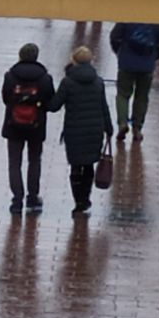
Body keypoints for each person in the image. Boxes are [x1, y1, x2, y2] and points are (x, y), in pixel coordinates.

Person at [47, 46, 113, 216]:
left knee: (76, 167)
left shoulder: (68, 82)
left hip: (74, 130)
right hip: (94, 131)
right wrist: (109, 128)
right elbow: (103, 106)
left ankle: (78, 201)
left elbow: (54, 106)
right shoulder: (98, 81)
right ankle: (86, 198)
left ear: (73, 60)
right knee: (89, 165)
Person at [2, 43, 55, 215]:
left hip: (14, 124)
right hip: (36, 125)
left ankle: (17, 199)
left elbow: (5, 98)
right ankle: (32, 196)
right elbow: (50, 100)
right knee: (34, 161)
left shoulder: (10, 76)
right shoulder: (45, 78)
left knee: (14, 163)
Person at [109, 22, 159, 142]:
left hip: (126, 63)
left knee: (122, 94)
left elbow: (114, 37)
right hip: (147, 66)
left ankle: (122, 123)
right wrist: (153, 56)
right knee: (142, 97)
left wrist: (120, 53)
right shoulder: (158, 20)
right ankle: (137, 128)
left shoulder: (127, 16)